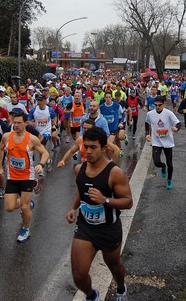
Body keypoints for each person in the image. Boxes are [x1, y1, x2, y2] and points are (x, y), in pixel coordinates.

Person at [66, 127, 133, 301]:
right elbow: (81, 191)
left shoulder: (114, 173)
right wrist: (73, 208)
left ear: (104, 148)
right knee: (79, 275)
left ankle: (120, 288)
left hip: (108, 229)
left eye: (93, 147)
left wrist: (106, 200)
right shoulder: (79, 169)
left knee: (114, 265)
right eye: (85, 146)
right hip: (85, 227)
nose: (88, 151)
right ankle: (91, 295)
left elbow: (128, 201)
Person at [0, 113, 49, 242]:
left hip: (27, 176)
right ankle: (28, 201)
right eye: (15, 122)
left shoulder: (32, 139)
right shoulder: (7, 137)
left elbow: (45, 152)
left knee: (24, 207)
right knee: (9, 207)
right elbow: (0, 149)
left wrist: (41, 164)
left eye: (19, 123)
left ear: (26, 123)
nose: (16, 125)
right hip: (12, 176)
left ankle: (26, 229)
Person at [145, 96, 181, 190]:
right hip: (156, 141)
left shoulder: (169, 114)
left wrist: (176, 128)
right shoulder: (150, 114)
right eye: (155, 105)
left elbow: (178, 123)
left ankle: (169, 180)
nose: (157, 107)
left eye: (159, 105)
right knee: (156, 162)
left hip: (168, 141)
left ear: (164, 104)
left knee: (170, 162)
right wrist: (147, 134)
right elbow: (147, 123)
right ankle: (162, 166)